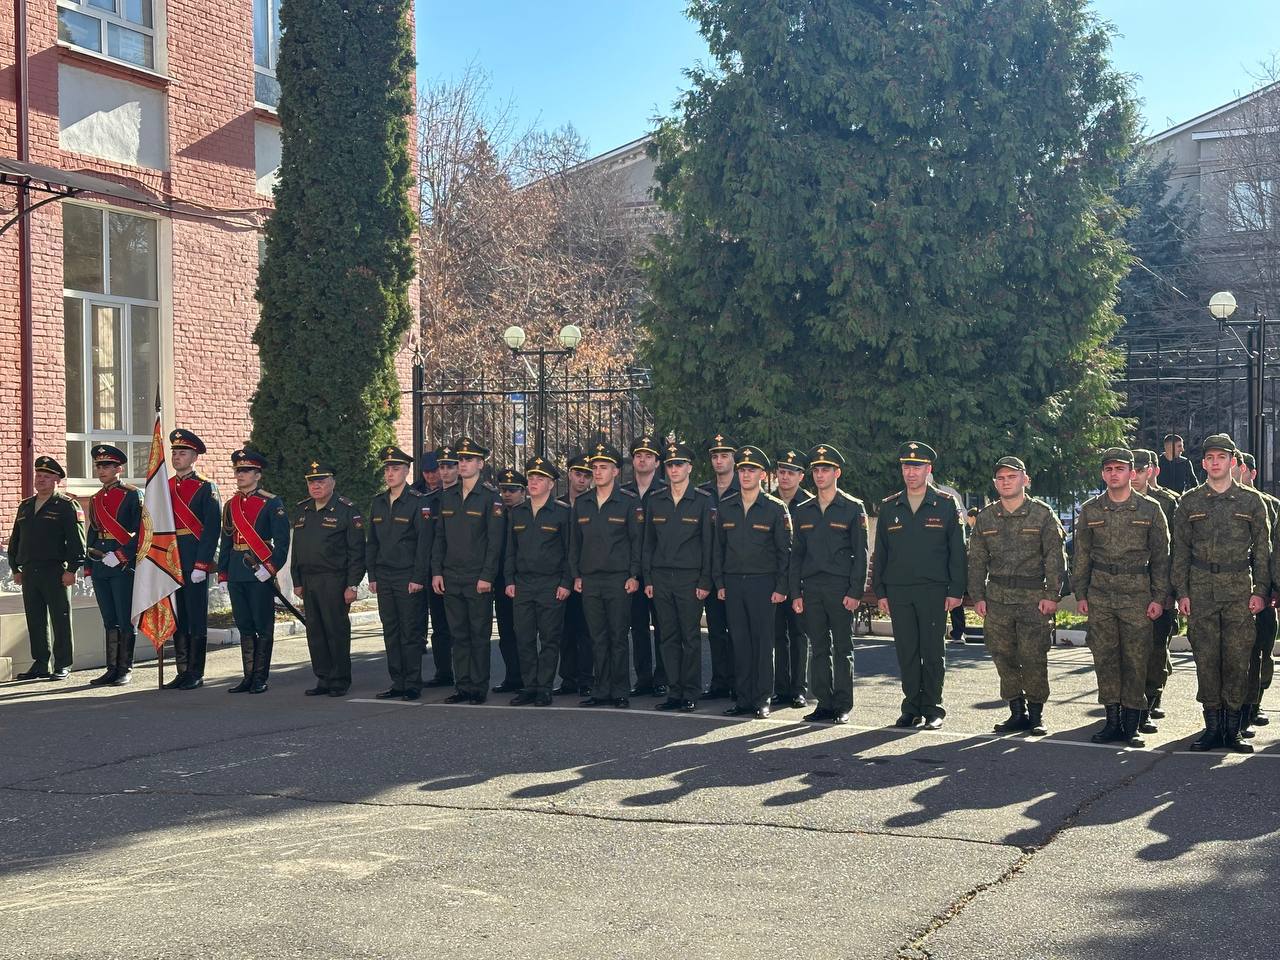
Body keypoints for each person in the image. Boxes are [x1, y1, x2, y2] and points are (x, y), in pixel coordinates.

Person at [1171, 435, 1270, 753]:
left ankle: (1233, 729)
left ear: (1232, 462)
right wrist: (1181, 592)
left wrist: (1261, 591)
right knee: (1206, 660)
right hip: (1201, 590)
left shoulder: (1252, 502)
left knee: (1238, 659)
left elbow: (1263, 553)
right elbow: (1180, 551)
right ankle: (1212, 727)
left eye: (1222, 457)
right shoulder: (1190, 502)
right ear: (1203, 463)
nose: (1215, 462)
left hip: (1239, 587)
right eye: (1210, 457)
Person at [1072, 447, 1169, 746]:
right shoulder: (1091, 509)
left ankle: (1132, 723)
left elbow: (1162, 558)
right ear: (1103, 474)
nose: (1114, 474)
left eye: (1120, 468)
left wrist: (1159, 597)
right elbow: (1082, 555)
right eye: (1109, 469)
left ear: (1131, 472)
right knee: (1105, 658)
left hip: (1137, 592)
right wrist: (1080, 593)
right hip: (1100, 592)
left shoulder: (1150, 509)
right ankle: (1112, 720)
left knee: (1136, 659)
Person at [967, 456, 1066, 736]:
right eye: (1001, 478)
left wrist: (1052, 595)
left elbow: (1055, 559)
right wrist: (978, 596)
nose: (1006, 482)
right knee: (1003, 657)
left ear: (1025, 480)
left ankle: (1036, 714)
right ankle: (1016, 712)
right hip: (997, 598)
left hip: (1033, 598)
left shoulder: (1042, 514)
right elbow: (976, 560)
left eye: (1012, 476)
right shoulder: (986, 516)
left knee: (1034, 657)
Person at [872, 442, 966, 730]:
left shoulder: (946, 504)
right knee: (907, 651)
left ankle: (933, 707)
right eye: (905, 466)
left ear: (929, 469)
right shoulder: (890, 506)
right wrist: (880, 592)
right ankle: (911, 706)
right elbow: (882, 552)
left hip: (933, 590)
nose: (910, 472)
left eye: (916, 467)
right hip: (899, 590)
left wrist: (955, 590)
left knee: (932, 650)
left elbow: (957, 552)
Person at [789, 444, 867, 725]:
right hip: (812, 588)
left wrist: (855, 591)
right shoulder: (803, 510)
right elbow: (796, 555)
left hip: (840, 588)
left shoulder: (852, 508)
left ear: (837, 473)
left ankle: (843, 704)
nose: (820, 475)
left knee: (843, 648)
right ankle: (823, 702)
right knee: (818, 646)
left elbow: (861, 554)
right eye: (816, 470)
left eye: (825, 470)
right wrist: (795, 592)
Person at [713, 445, 791, 720]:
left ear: (762, 474)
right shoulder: (726, 507)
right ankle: (743, 697)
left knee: (762, 642)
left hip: (764, 584)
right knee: (740, 641)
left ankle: (762, 698)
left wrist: (782, 587)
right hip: (734, 583)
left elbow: (785, 552)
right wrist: (720, 582)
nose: (745, 475)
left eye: (751, 470)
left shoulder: (774, 508)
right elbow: (717, 550)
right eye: (742, 470)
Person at [570, 440, 643, 708]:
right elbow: (574, 543)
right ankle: (601, 689)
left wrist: (634, 574)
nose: (597, 472)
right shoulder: (583, 503)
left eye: (604, 467)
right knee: (596, 637)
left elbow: (637, 542)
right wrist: (576, 575)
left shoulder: (627, 502)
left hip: (618, 579)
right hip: (590, 579)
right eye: (595, 467)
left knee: (618, 637)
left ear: (615, 472)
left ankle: (620, 690)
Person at [432, 436, 505, 705]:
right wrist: (437, 571)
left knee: (478, 634)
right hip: (452, 576)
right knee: (458, 634)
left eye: (468, 460)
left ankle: (478, 687)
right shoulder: (448, 496)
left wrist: (487, 576)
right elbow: (440, 537)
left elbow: (494, 542)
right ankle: (462, 686)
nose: (462, 464)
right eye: (460, 459)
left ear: (480, 464)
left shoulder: (490, 497)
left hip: (477, 579)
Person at [643, 441, 715, 712]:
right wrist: (648, 579)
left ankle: (691, 692)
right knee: (667, 636)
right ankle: (674, 691)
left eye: (679, 464)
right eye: (670, 465)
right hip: (661, 578)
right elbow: (648, 544)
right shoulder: (656, 500)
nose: (674, 469)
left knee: (690, 637)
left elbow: (708, 545)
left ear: (689, 468)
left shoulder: (702, 501)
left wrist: (705, 581)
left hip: (689, 579)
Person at [218, 446, 290, 694]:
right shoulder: (231, 505)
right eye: (238, 470)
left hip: (259, 568)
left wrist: (270, 568)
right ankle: (248, 675)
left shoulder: (272, 503)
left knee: (263, 625)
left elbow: (282, 543)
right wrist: (223, 574)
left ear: (258, 474)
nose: (240, 474)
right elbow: (226, 541)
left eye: (246, 470)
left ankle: (260, 676)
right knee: (245, 625)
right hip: (238, 570)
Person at [290, 460, 366, 698]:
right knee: (315, 631)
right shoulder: (303, 509)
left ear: (333, 482)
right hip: (310, 580)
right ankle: (323, 677)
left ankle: (340, 679)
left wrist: (352, 584)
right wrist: (297, 581)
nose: (316, 486)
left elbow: (357, 552)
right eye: (312, 482)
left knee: (336, 630)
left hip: (335, 580)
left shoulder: (347, 510)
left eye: (321, 480)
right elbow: (298, 548)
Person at [7, 456, 85, 681]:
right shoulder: (26, 505)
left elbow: (76, 542)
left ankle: (63, 664)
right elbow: (16, 540)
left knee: (60, 618)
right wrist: (15, 567)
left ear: (57, 480)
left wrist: (72, 569)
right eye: (38, 476)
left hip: (56, 571)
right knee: (35, 619)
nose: (40, 480)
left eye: (46, 476)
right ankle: (40, 663)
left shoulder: (66, 506)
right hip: (30, 571)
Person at [503, 456, 572, 706]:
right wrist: (509, 579)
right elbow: (511, 549)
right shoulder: (518, 512)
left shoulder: (562, 513)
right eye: (531, 478)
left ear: (551, 484)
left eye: (539, 478)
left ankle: (544, 687)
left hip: (550, 584)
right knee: (524, 637)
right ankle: (529, 686)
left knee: (550, 638)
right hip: (523, 584)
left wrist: (566, 582)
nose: (533, 482)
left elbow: (569, 551)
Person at [367, 446, 432, 701]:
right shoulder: (378, 502)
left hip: (408, 577)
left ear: (406, 471)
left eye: (395, 469)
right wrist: (371, 574)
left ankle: (413, 682)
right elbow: (371, 542)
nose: (390, 473)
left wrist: (418, 578)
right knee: (391, 631)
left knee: (411, 631)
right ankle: (398, 681)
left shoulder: (418, 501)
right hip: (384, 576)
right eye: (387, 469)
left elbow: (423, 544)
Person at [166, 429, 221, 690]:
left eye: (183, 453)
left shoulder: (205, 487)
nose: (177, 457)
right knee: (179, 617)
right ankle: (181, 669)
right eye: (175, 453)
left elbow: (212, 529)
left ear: (194, 456)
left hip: (194, 556)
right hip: (171, 557)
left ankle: (196, 671)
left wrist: (203, 564)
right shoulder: (164, 487)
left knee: (196, 616)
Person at [1131, 448, 1180, 732]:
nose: (1135, 475)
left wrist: (1171, 592)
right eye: (1132, 469)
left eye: (1140, 469)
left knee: (1155, 649)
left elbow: (1175, 551)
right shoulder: (1114, 500)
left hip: (1158, 587)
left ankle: (1150, 700)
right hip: (1125, 588)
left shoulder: (1170, 503)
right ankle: (1130, 704)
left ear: (1153, 470)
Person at [84, 443, 142, 687]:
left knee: (124, 617)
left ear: (119, 467)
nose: (101, 469)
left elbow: (142, 532)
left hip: (121, 565)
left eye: (106, 465)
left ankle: (125, 668)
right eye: (98, 465)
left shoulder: (132, 495)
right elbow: (93, 534)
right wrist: (88, 567)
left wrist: (121, 555)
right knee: (109, 619)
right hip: (100, 564)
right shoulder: (96, 498)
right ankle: (111, 668)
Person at [622, 434, 668, 698]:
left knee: (662, 627)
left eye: (648, 456)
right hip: (631, 571)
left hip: (658, 571)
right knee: (637, 626)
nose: (642, 459)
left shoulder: (664, 491)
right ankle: (643, 678)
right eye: (639, 455)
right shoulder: (623, 492)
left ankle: (662, 677)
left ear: (657, 461)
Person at [698, 432, 740, 699]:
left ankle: (739, 682)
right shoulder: (703, 492)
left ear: (734, 460)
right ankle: (719, 682)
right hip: (710, 573)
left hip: (736, 571)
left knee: (737, 631)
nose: (719, 460)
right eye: (715, 456)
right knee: (715, 631)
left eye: (724, 456)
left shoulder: (743, 489)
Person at [1238, 452, 1278, 734]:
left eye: (1241, 467)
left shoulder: (1271, 505)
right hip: (1231, 586)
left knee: (1261, 650)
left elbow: (1275, 552)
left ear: (1252, 473)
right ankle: (1234, 710)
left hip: (1263, 590)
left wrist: (1273, 589)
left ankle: (1256, 702)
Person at [772, 448, 813, 708]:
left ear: (801, 476)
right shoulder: (767, 501)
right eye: (781, 472)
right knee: (777, 636)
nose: (785, 477)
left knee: (798, 635)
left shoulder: (809, 504)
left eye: (791, 472)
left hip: (799, 581)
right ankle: (781, 688)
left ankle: (799, 689)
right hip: (775, 582)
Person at [555, 452, 595, 697]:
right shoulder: (557, 504)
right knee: (564, 631)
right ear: (569, 474)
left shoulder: (592, 503)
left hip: (584, 577)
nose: (582, 479)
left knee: (586, 631)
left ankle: (586, 678)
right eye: (578, 474)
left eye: (587, 475)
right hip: (559, 577)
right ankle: (568, 678)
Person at [423, 445, 457, 687]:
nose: (441, 473)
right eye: (440, 467)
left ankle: (468, 676)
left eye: (447, 467)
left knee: (464, 629)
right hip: (435, 573)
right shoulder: (429, 501)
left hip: (461, 572)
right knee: (440, 626)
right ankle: (443, 672)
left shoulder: (467, 498)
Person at [492, 468, 527, 694]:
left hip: (524, 582)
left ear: (523, 491)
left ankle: (528, 678)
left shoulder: (528, 514)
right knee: (506, 633)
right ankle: (512, 676)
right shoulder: (497, 516)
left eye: (512, 490)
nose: (507, 494)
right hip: (501, 582)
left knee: (524, 633)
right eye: (504, 490)